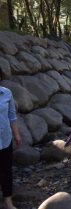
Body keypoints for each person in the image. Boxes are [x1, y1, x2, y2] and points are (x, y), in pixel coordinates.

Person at [0, 69, 22, 209]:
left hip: (5, 138)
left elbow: (12, 116)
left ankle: (8, 201)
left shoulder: (6, 93)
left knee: (6, 171)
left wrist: (17, 135)